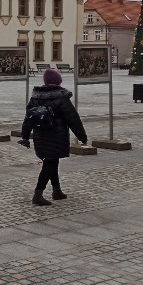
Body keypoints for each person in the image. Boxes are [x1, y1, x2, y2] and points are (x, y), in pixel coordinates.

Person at [18, 69, 88, 206]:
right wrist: (82, 137)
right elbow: (73, 118)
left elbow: (28, 118)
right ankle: (38, 194)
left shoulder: (35, 97)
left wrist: (25, 136)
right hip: (56, 136)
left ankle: (57, 191)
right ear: (58, 81)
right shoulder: (61, 97)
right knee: (50, 163)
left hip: (40, 136)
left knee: (52, 161)